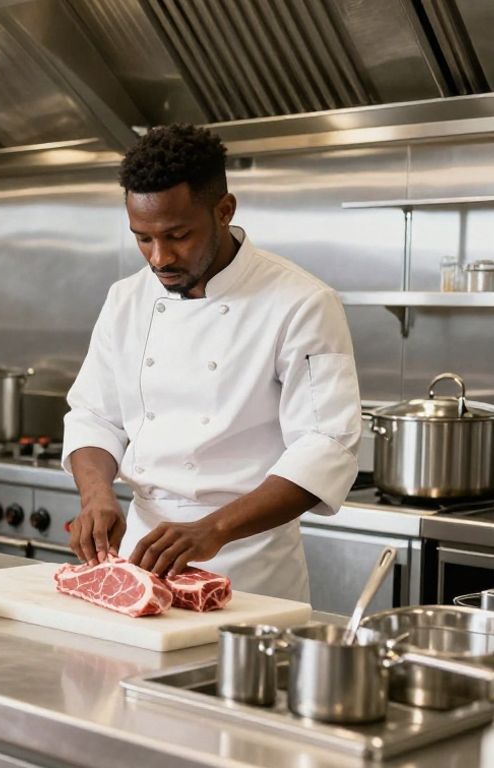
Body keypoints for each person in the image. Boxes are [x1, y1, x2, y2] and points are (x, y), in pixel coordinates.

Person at [60, 124, 361, 602]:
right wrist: (96, 494)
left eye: (177, 235)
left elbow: (326, 446)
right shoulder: (127, 299)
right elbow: (94, 415)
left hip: (249, 568)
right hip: (141, 558)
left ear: (224, 211)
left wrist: (213, 529)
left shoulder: (301, 301)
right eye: (143, 239)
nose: (159, 258)